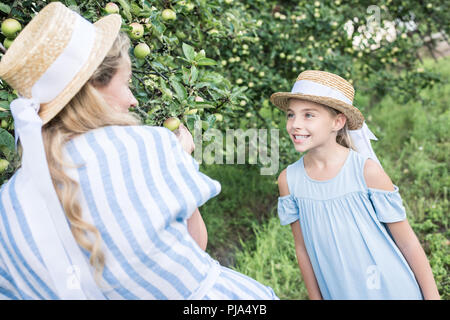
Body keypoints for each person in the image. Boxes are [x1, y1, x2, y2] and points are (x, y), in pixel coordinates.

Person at [0, 2, 278, 300]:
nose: (133, 100)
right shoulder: (150, 145)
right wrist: (180, 160)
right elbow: (195, 246)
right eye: (127, 83)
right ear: (93, 89)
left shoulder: (7, 209)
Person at [271, 70, 440, 300]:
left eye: (309, 115)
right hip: (339, 291)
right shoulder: (289, 180)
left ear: (338, 121)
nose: (295, 124)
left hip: (390, 289)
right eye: (291, 115)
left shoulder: (366, 171)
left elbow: (408, 242)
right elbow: (302, 248)